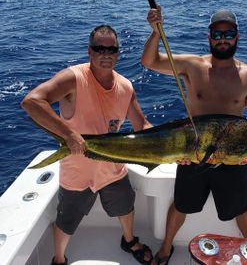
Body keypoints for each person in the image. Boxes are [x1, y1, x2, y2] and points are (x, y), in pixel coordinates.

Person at [142, 6, 247, 265]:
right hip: (193, 154)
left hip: (231, 159)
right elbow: (150, 62)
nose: (223, 40)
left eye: (228, 34)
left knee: (241, 209)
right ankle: (165, 249)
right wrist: (155, 32)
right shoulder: (192, 66)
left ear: (237, 36)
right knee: (181, 204)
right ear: (209, 37)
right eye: (217, 34)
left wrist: (240, 146)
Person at [21, 25, 153, 265]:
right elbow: (32, 101)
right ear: (89, 51)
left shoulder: (126, 86)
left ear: (118, 53)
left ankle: (129, 240)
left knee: (126, 206)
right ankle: (59, 259)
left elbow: (141, 124)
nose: (106, 53)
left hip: (112, 168)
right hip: (77, 170)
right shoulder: (73, 78)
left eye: (111, 49)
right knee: (67, 219)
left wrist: (171, 141)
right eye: (99, 48)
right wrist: (69, 135)